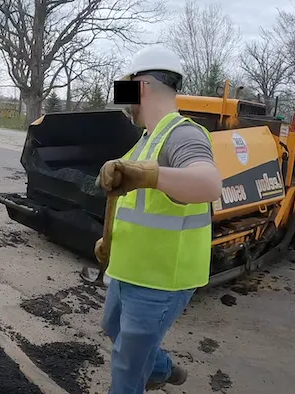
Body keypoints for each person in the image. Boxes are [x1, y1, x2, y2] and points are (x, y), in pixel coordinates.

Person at [94, 44, 223, 393]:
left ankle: (146, 369)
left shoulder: (183, 134)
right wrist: (109, 238)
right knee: (112, 327)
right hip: (130, 269)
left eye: (127, 88)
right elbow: (135, 201)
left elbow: (210, 184)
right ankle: (160, 367)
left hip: (161, 279)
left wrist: (151, 175)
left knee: (127, 365)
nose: (126, 98)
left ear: (144, 85)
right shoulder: (145, 140)